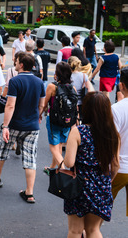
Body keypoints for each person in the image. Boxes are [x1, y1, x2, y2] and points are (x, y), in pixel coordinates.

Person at [0, 52, 45, 204]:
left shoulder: (15, 81)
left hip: (15, 124)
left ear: (22, 64)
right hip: (32, 126)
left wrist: (5, 126)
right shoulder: (39, 82)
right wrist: (37, 115)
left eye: (16, 61)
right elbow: (42, 105)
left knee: (2, 150)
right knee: (30, 158)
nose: (15, 63)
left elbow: (10, 105)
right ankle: (29, 192)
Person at [63, 92, 119, 237]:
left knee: (75, 230)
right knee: (93, 230)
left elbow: (69, 162)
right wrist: (107, 181)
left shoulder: (78, 131)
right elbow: (116, 165)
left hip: (79, 185)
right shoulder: (113, 133)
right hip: (101, 184)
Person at [41, 62, 77, 174]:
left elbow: (44, 103)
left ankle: (66, 171)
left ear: (58, 73)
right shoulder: (73, 88)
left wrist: (39, 115)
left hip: (54, 120)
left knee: (53, 147)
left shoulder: (52, 87)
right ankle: (53, 168)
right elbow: (75, 107)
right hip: (67, 121)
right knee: (60, 144)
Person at [111, 66, 128, 217]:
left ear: (121, 85)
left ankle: (89, 231)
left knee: (102, 208)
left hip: (120, 167)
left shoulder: (116, 109)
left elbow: (112, 140)